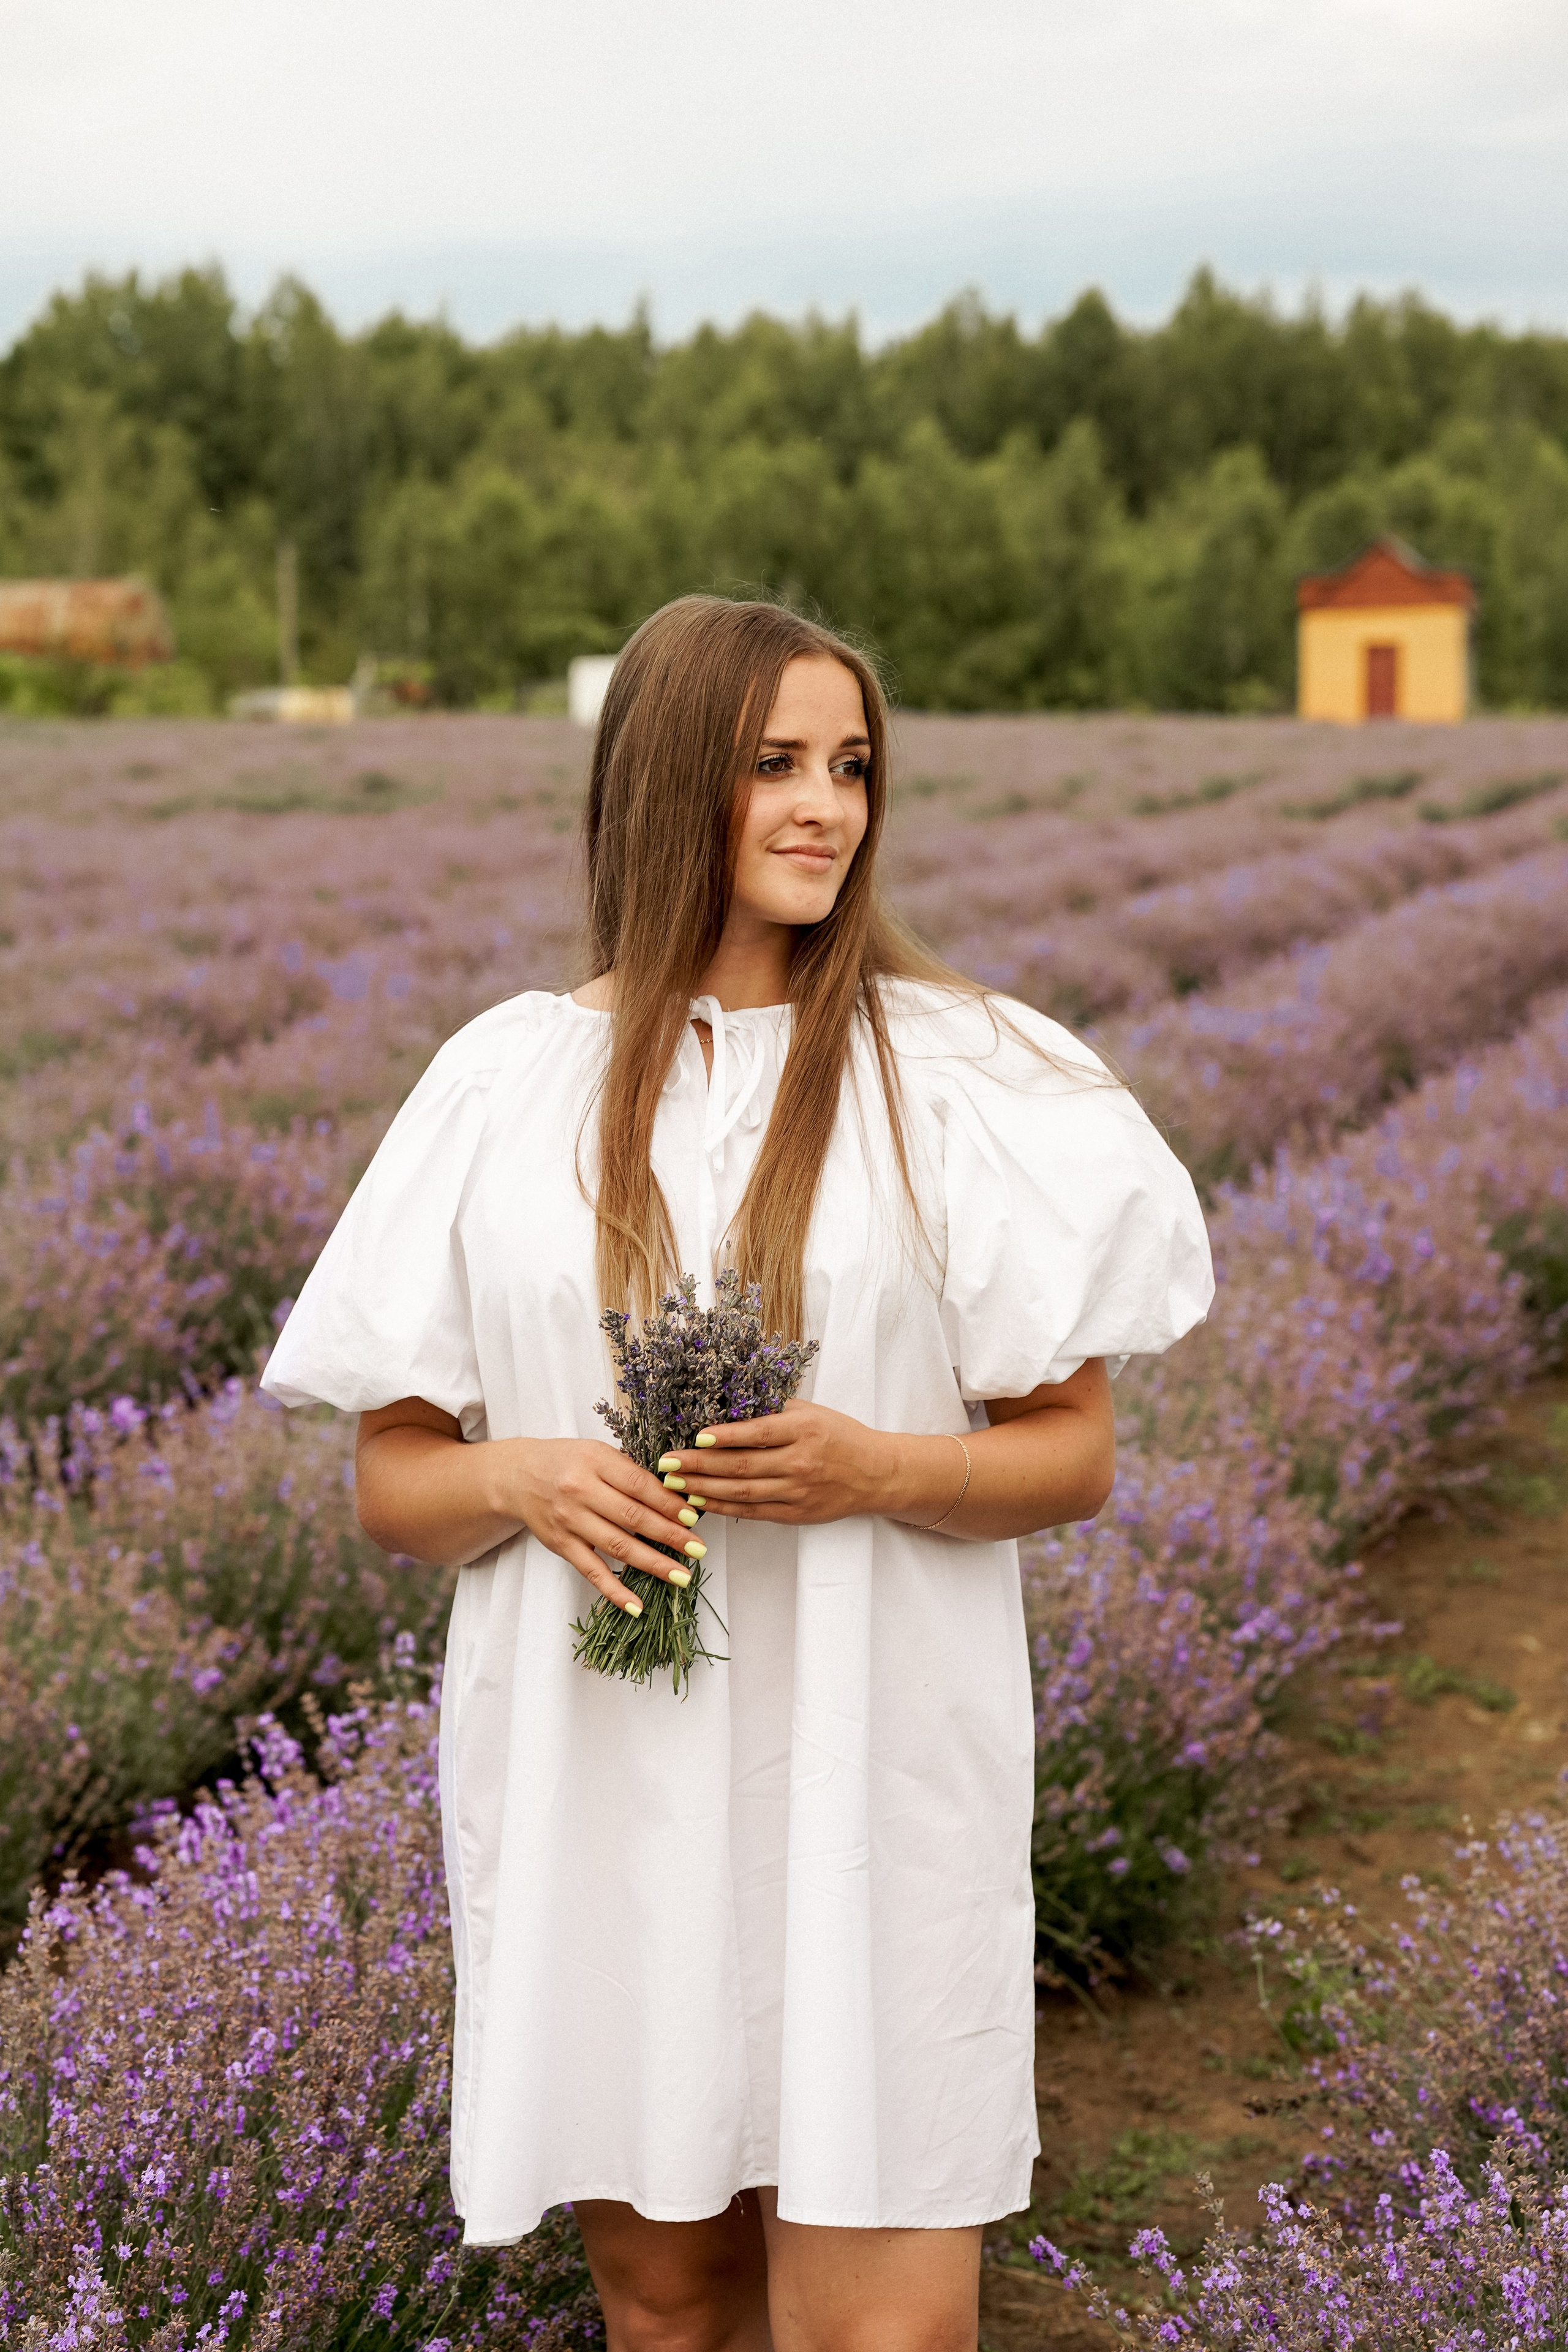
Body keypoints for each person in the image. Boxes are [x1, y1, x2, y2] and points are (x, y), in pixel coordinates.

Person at [262, 596, 1212, 2352]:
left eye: (851, 767)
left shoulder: (965, 1075)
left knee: (887, 2323)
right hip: (603, 1777)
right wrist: (526, 1481)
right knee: (667, 2301)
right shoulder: (505, 1084)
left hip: (871, 1766)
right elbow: (393, 1482)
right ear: (664, 779)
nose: (825, 806)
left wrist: (878, 1467)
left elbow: (1073, 1453)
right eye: (774, 762)